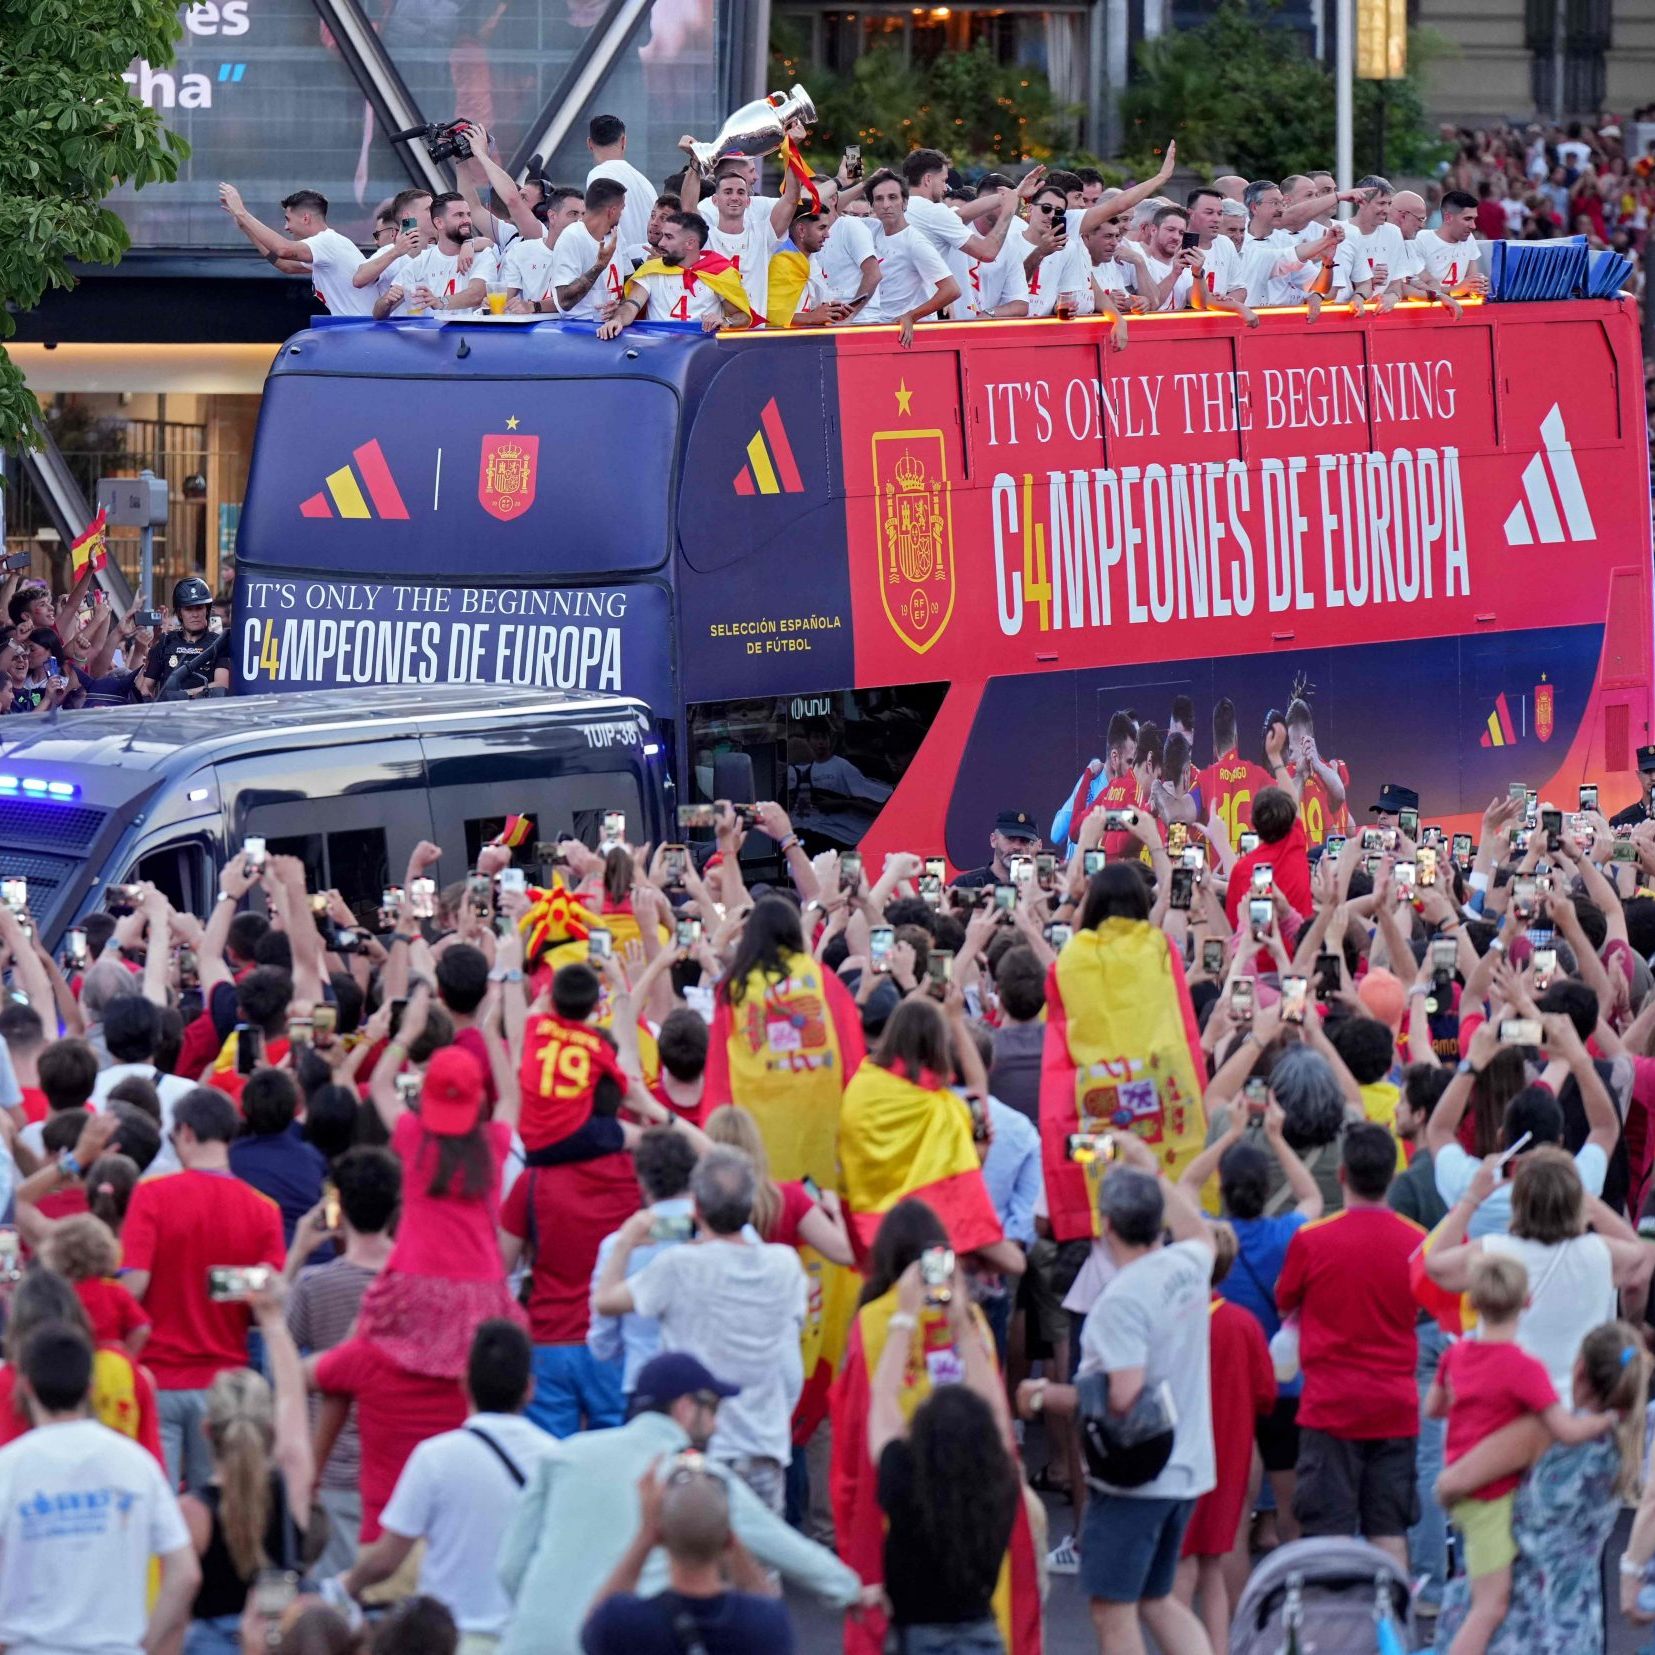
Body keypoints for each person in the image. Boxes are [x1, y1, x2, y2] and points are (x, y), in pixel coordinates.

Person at [497, 1352, 863, 1655]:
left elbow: (511, 1568)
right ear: (687, 1407)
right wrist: (855, 1590)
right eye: (714, 1409)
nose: (717, 1427)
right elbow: (788, 1550)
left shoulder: (568, 1453)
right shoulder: (693, 1477)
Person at [1016, 1136, 1216, 1655]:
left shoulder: (1122, 1297)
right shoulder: (1188, 1266)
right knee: (1158, 1600)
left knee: (1113, 1609)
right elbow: (1196, 1228)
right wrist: (1151, 1172)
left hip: (1137, 1481)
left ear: (1104, 1226)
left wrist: (1042, 1397)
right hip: (1189, 1466)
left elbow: (1122, 1395)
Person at [593, 1146, 808, 1514]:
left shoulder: (679, 1265)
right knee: (761, 1568)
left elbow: (605, 1301)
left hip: (699, 1444)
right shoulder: (785, 1264)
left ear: (697, 1207)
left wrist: (627, 1240)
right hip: (763, 1444)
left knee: (691, 1563)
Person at [1425, 1253, 1615, 1655]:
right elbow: (1564, 1427)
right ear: (1527, 1301)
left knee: (1476, 1592)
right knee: (1490, 1603)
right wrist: (1600, 1423)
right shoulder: (1524, 1368)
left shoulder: (1455, 1356)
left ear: (1472, 1302)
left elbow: (1434, 1408)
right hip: (1492, 1498)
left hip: (1468, 1484)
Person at [334, 1321, 553, 1652]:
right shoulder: (556, 1459)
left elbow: (386, 1560)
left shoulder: (434, 1457)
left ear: (464, 1384)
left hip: (447, 1640)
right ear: (529, 1388)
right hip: (526, 1640)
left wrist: (346, 1586)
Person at [1441, 1322, 1647, 1655]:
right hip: (1575, 1622)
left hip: (1514, 1619)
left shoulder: (1539, 1433)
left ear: (1579, 1370)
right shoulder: (1626, 1441)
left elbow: (1453, 1481)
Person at [121, 1086, 286, 1491]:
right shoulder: (264, 1209)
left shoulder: (151, 1195)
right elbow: (268, 1296)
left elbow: (135, 1284)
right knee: (212, 1513)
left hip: (157, 1379)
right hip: (224, 1387)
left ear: (186, 1132)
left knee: (157, 1508)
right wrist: (217, 1282)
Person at [1177, 1094, 1323, 1546]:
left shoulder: (1211, 1239)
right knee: (1289, 1509)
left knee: (1233, 1515)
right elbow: (1311, 1195)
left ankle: (1235, 1609)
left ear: (1221, 1186)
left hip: (1228, 1382)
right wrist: (1277, 1140)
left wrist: (1232, 1134)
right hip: (1283, 1383)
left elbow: (1184, 1184)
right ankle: (1290, 1594)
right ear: (1265, 1190)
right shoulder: (1284, 1235)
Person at [1276, 1123, 1423, 1568]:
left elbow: (1286, 1301)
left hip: (1330, 1407)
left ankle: (1332, 1631)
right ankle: (1394, 1629)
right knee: (1389, 1530)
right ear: (1392, 1175)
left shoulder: (1312, 1240)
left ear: (1342, 1174)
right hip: (1395, 1406)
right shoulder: (1418, 1242)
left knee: (1327, 1533)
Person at [0, 1322, 199, 1652]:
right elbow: (185, 1572)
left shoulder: (9, 1467)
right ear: (90, 1387)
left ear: (26, 1387)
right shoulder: (136, 1464)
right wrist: (144, 1642)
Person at [867, 1254, 1021, 1654]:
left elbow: (881, 1400)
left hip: (915, 1640)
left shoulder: (903, 1479)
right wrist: (964, 1325)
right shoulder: (1000, 1482)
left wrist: (903, 1316)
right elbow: (998, 1412)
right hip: (983, 1637)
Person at [1424, 1147, 1645, 1403]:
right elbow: (1639, 1253)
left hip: (1511, 1409)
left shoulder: (1494, 1251)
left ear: (1517, 1199)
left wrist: (1472, 1197)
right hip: (1580, 1408)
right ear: (1575, 1199)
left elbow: (1436, 1265)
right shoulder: (1600, 1252)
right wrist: (1585, 1197)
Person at [285, 1146, 401, 1580]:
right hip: (399, 1466)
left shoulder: (316, 1285)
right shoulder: (416, 1282)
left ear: (339, 1207)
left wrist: (297, 1252)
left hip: (331, 1469)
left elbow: (277, 1357)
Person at [180, 1283, 316, 1653]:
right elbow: (293, 1402)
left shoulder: (193, 1513)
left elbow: (178, 1598)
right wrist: (272, 1322)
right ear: (269, 1429)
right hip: (279, 1637)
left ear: (207, 1430)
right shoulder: (290, 1486)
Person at [1174, 1223, 1275, 1653]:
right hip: (1230, 1456)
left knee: (1178, 1570)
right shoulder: (1243, 1323)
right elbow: (1266, 1394)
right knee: (1213, 1564)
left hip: (1181, 1457)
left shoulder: (1175, 1319)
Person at [580, 1463, 794, 1655]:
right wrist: (727, 1532)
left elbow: (592, 1625)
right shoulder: (763, 1625)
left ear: (660, 1537)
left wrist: (645, 1535)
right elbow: (769, 1603)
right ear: (728, 1540)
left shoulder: (624, 1623)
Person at [587, 1126, 700, 1399]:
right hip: (708, 1386)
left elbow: (603, 1341)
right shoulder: (733, 1235)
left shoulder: (618, 1247)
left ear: (642, 1180)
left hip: (644, 1383)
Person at [216, 184, 374, 315]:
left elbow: (283, 250)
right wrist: (246, 227)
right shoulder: (327, 246)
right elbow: (286, 265)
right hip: (355, 328)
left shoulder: (327, 242)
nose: (286, 227)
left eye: (288, 220)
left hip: (361, 330)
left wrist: (241, 213)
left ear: (306, 218)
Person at [862, 168, 960, 348]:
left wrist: (911, 316)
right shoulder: (869, 228)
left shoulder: (915, 242)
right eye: (879, 199)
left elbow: (952, 290)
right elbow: (830, 212)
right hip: (878, 328)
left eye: (893, 197)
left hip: (907, 336)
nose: (886, 205)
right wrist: (857, 183)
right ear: (872, 206)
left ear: (905, 203)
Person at [230, 1068, 328, 1244]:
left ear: (244, 1108)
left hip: (267, 1257)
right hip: (312, 1255)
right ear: (296, 1108)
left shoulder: (229, 1159)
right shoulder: (313, 1158)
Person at [375, 192, 497, 320]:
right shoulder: (422, 261)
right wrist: (387, 301)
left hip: (468, 337)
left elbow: (476, 295)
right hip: (430, 337)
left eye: (468, 214)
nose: (467, 220)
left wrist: (440, 302)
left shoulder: (483, 253)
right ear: (439, 223)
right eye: (459, 215)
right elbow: (378, 313)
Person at [136, 576, 225, 700]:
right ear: (179, 613)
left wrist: (184, 694)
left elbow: (222, 684)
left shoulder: (220, 643)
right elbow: (146, 687)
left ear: (207, 609)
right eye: (188, 609)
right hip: (169, 713)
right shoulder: (165, 642)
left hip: (204, 712)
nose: (195, 614)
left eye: (199, 608)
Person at [585, 114, 657, 254]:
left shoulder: (597, 176)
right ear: (624, 141)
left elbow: (598, 228)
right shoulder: (644, 182)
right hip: (647, 265)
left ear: (589, 143)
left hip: (618, 265)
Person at [952, 810, 1044, 889]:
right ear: (993, 840)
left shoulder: (1045, 888)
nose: (1017, 846)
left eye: (1024, 841)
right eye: (1010, 838)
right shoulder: (966, 885)